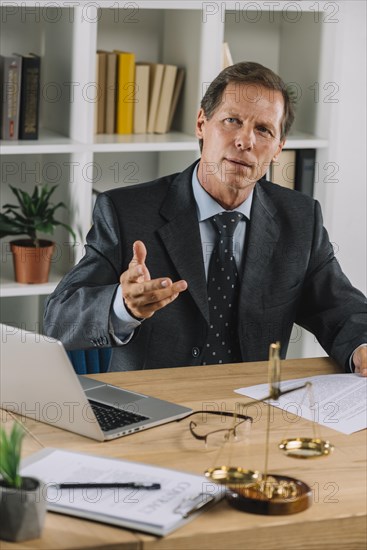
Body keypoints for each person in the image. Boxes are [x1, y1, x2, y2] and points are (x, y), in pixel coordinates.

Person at [43, 62, 367, 375]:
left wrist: (362, 347)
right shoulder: (125, 211)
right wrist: (123, 306)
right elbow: (59, 319)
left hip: (254, 411)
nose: (245, 141)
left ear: (278, 147)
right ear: (201, 124)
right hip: (151, 408)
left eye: (264, 130)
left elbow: (340, 309)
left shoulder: (300, 218)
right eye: (232, 121)